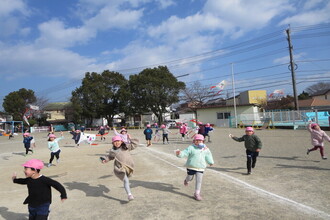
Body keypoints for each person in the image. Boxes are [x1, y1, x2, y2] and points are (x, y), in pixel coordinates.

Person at [175, 134, 214, 201]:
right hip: (191, 166)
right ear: (194, 141)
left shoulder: (206, 149)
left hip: (201, 167)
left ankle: (197, 193)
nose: (198, 142)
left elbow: (208, 155)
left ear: (203, 141)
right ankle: (186, 180)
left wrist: (210, 162)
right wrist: (179, 153)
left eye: (200, 140)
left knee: (199, 181)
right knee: (189, 177)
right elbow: (185, 153)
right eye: (197, 140)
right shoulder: (191, 148)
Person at [100, 136, 137, 201]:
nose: (117, 143)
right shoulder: (113, 151)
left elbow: (135, 144)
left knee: (127, 179)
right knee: (126, 180)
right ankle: (129, 195)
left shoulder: (126, 147)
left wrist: (130, 138)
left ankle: (129, 194)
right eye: (115, 142)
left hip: (128, 165)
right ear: (112, 143)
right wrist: (105, 159)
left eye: (118, 141)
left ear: (121, 141)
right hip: (119, 167)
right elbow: (110, 157)